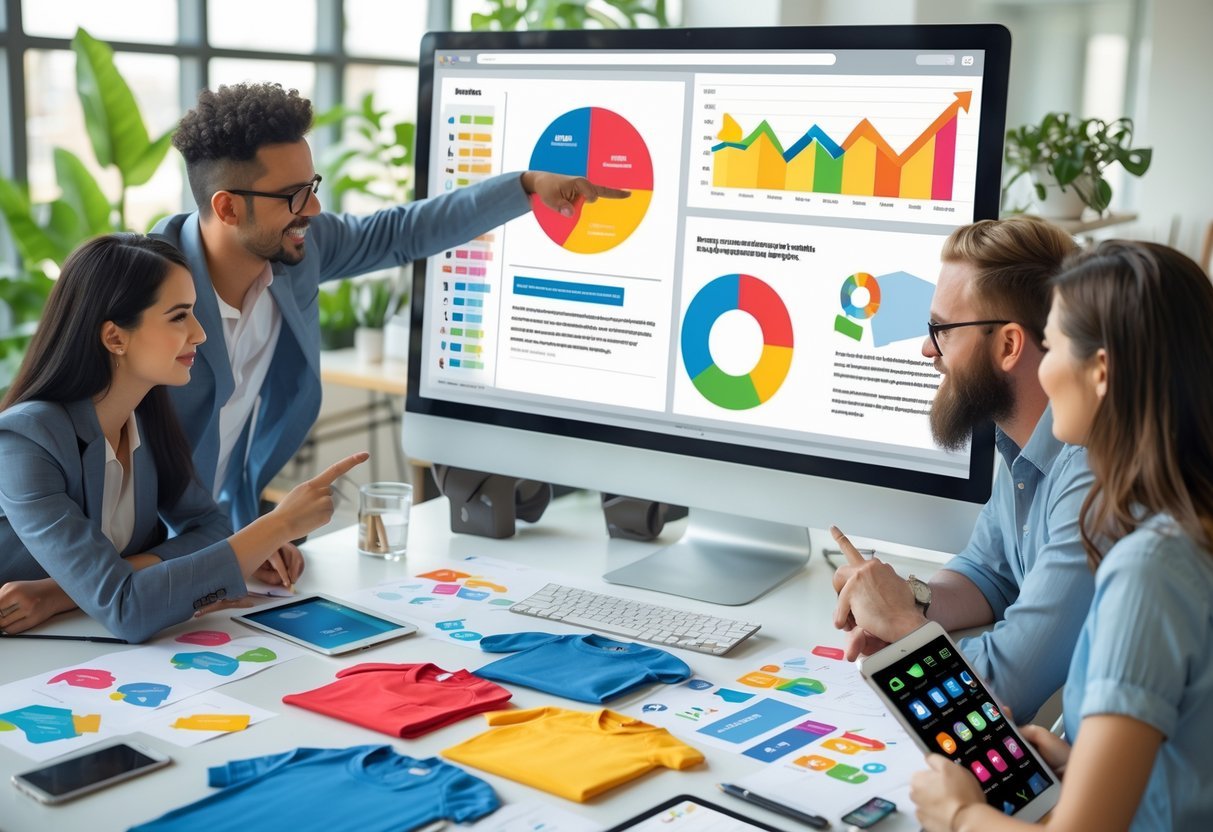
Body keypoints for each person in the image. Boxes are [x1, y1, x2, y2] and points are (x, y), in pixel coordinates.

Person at [154, 82, 628, 532]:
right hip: (145, 549)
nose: (313, 208)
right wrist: (224, 553)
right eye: (294, 195)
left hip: (220, 525)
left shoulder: (295, 253)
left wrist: (527, 186)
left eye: (312, 186)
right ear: (228, 208)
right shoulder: (139, 293)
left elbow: (400, 232)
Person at [909, 240, 1213, 831]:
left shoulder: (1150, 568)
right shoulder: (1187, 526)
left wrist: (958, 814)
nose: (1043, 371)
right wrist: (1079, 764)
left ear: (1100, 371)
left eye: (1054, 344)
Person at [0, 234, 366, 643]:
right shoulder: (25, 442)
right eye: (179, 317)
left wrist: (61, 593)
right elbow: (127, 608)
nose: (200, 333)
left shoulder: (146, 413)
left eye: (194, 312)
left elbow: (210, 529)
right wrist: (277, 526)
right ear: (115, 338)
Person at [831, 216, 1095, 720]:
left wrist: (902, 627)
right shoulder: (1023, 446)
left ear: (1009, 345)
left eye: (942, 330)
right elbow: (988, 573)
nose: (927, 349)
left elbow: (1003, 687)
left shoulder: (1091, 474)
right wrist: (908, 599)